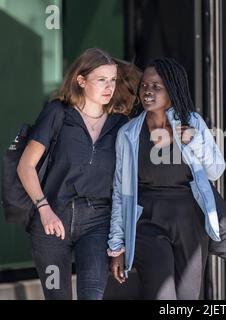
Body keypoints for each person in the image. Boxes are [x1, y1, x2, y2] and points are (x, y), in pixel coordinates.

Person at [17, 48, 141, 299]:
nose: (109, 87)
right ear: (81, 81)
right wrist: (44, 209)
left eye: (113, 80)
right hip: (52, 219)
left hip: (97, 223)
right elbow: (25, 166)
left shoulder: (120, 126)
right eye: (101, 80)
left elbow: (125, 185)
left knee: (92, 296)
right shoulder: (58, 113)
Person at [108, 58, 226, 300]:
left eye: (156, 86)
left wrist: (194, 141)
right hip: (148, 223)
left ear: (172, 90)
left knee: (187, 298)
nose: (147, 91)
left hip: (190, 223)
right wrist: (116, 246)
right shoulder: (128, 134)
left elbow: (216, 170)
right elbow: (121, 192)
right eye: (144, 86)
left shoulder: (192, 123)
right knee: (162, 296)